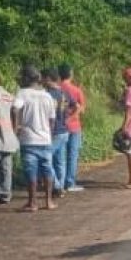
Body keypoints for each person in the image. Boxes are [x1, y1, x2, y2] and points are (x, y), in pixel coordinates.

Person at [13, 66, 57, 212]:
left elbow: (14, 108)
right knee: (47, 170)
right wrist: (48, 132)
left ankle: (32, 203)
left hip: (29, 139)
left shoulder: (22, 93)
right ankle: (49, 201)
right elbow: (52, 119)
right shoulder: (47, 95)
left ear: (26, 78)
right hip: (45, 140)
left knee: (31, 171)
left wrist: (16, 128)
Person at [43, 69, 75, 198]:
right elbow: (76, 105)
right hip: (64, 130)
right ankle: (60, 187)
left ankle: (56, 186)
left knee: (45, 158)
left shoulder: (48, 95)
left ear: (48, 79)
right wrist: (68, 118)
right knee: (60, 161)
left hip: (54, 131)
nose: (42, 80)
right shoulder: (64, 93)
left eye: (43, 78)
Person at [59, 63, 86, 192]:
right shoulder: (76, 90)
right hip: (74, 126)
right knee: (72, 155)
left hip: (59, 126)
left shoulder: (56, 89)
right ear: (71, 74)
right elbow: (82, 108)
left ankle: (59, 182)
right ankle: (69, 182)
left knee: (60, 155)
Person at [0, 74, 19, 205]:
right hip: (9, 136)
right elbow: (15, 112)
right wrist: (14, 132)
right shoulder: (8, 95)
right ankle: (5, 193)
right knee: (6, 167)